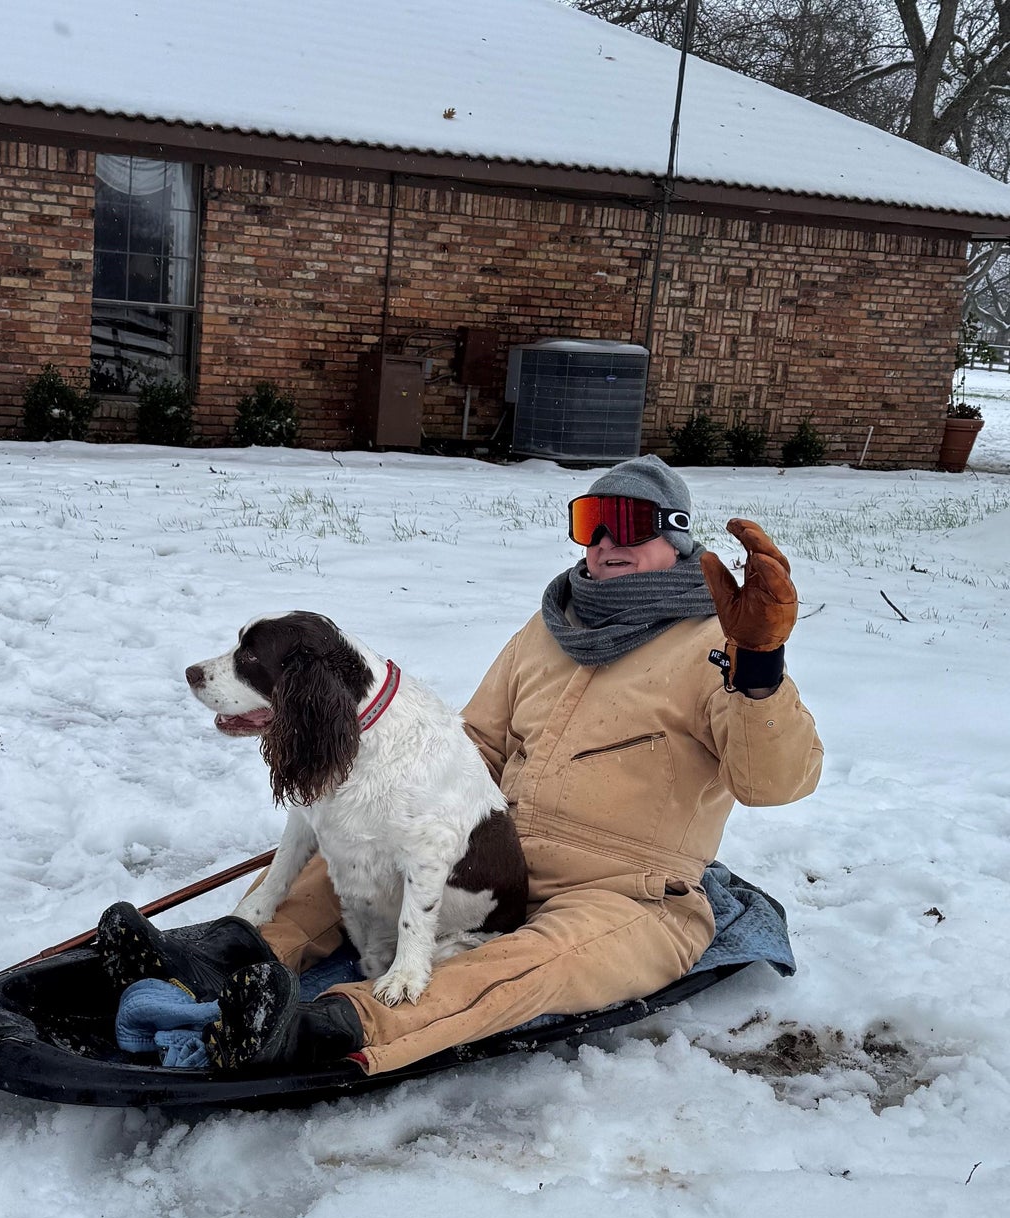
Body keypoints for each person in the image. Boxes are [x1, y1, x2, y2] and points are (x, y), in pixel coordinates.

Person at [100, 454, 823, 1076]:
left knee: (531, 963)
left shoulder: (718, 644)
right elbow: (470, 747)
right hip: (495, 848)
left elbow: (775, 781)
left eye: (627, 523)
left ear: (675, 537)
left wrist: (759, 667)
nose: (603, 543)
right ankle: (225, 956)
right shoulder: (550, 630)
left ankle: (325, 1029)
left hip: (621, 891)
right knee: (350, 850)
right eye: (589, 521)